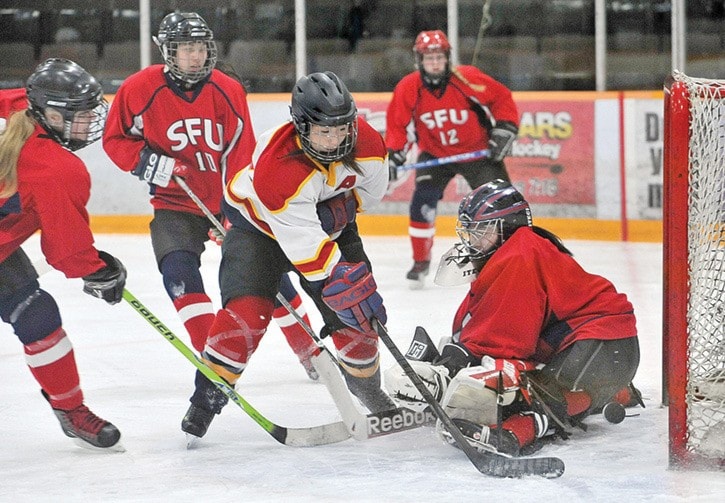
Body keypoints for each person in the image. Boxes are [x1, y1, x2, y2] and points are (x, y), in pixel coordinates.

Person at [102, 12, 319, 379]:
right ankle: (213, 358)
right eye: (186, 48)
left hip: (225, 202)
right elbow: (114, 139)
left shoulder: (227, 89)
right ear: (167, 52)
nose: (195, 56)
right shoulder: (139, 88)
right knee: (178, 269)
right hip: (173, 203)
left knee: (264, 275)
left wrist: (234, 213)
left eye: (201, 47)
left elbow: (241, 152)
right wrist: (147, 161)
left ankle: (308, 348)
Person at [181, 71, 395, 440]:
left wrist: (340, 215)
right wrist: (339, 280)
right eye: (323, 131)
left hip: (328, 227)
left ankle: (371, 394)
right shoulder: (277, 167)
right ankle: (204, 402)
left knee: (359, 323)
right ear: (301, 126)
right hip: (257, 231)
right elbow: (307, 249)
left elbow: (371, 195)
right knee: (244, 319)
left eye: (341, 129)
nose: (333, 141)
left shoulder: (369, 144)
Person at [385, 179, 641, 456]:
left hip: (602, 344)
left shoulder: (520, 254)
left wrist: (452, 369)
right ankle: (613, 392)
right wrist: (453, 357)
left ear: (505, 227)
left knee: (530, 396)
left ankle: (517, 432)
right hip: (594, 347)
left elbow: (507, 341)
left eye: (482, 231)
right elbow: (483, 321)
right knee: (516, 380)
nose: (473, 241)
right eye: (470, 232)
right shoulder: (509, 253)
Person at [0, 58, 127, 449]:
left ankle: (70, 409)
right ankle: (71, 410)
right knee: (38, 318)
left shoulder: (19, 105)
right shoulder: (57, 168)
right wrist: (99, 270)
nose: (90, 122)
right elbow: (67, 251)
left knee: (38, 316)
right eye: (81, 115)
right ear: (50, 114)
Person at [385, 30, 520, 289]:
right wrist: (393, 154)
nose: (434, 63)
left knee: (502, 205)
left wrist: (504, 129)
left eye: (439, 57)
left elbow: (501, 98)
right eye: (428, 58)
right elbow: (397, 127)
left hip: (478, 153)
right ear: (419, 61)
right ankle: (420, 261)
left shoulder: (467, 78)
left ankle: (512, 257)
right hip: (436, 156)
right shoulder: (408, 87)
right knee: (422, 203)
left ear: (447, 58)